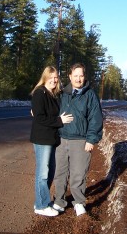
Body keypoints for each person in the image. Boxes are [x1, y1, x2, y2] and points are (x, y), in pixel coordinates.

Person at [52, 62, 103, 216]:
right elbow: (49, 107)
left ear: (84, 77)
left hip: (81, 141)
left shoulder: (90, 95)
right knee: (60, 173)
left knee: (78, 174)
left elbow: (96, 119)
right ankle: (59, 202)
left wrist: (91, 140)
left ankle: (79, 202)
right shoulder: (62, 93)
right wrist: (36, 109)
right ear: (70, 76)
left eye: (81, 76)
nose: (78, 79)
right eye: (75, 76)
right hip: (61, 140)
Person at [30, 66, 73, 217]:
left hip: (51, 138)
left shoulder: (53, 94)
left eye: (56, 77)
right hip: (42, 139)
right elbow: (40, 117)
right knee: (42, 173)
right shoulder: (39, 93)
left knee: (49, 172)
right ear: (45, 77)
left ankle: (43, 201)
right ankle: (40, 205)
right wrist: (59, 120)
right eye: (51, 77)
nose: (54, 80)